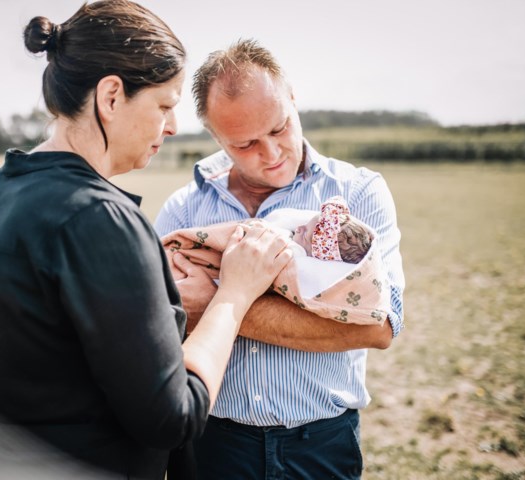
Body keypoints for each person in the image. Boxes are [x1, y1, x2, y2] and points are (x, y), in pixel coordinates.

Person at [0, 5, 292, 479]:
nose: (171, 128)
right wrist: (234, 294)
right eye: (164, 106)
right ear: (111, 96)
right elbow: (174, 417)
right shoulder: (102, 219)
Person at [154, 39, 405, 479]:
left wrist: (219, 305)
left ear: (292, 99)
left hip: (322, 444)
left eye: (278, 128)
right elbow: (160, 323)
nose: (270, 155)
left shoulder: (359, 193)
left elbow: (381, 326)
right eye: (245, 143)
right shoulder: (182, 211)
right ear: (215, 138)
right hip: (211, 445)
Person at [160, 195, 390, 326]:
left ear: (318, 253)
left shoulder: (296, 258)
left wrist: (216, 302)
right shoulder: (182, 202)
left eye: (306, 234)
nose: (299, 227)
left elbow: (382, 331)